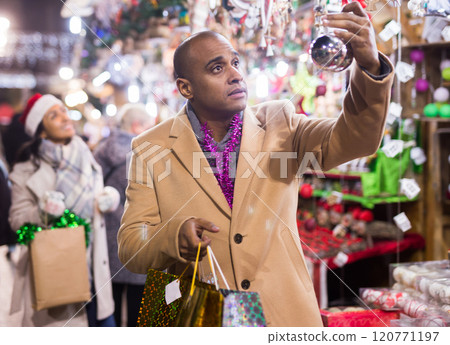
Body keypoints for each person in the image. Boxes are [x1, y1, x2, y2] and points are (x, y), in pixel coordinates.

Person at [118, 2, 394, 326]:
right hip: (197, 315)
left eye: (235, 62)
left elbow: (357, 139)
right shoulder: (150, 146)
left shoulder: (282, 123)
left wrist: (370, 67)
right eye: (217, 68)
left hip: (279, 314)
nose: (236, 75)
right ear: (185, 88)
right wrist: (173, 237)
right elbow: (130, 247)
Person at [8, 93, 117, 326]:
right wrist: (43, 212)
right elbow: (16, 219)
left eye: (63, 111)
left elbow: (94, 205)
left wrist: (109, 198)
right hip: (57, 274)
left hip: (94, 271)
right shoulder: (25, 169)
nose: (64, 118)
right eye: (53, 115)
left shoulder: (87, 157)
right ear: (42, 131)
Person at [94, 104, 153, 326]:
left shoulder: (102, 149)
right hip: (138, 236)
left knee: (112, 304)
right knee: (141, 308)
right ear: (137, 126)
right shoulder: (142, 152)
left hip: (108, 238)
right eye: (149, 125)